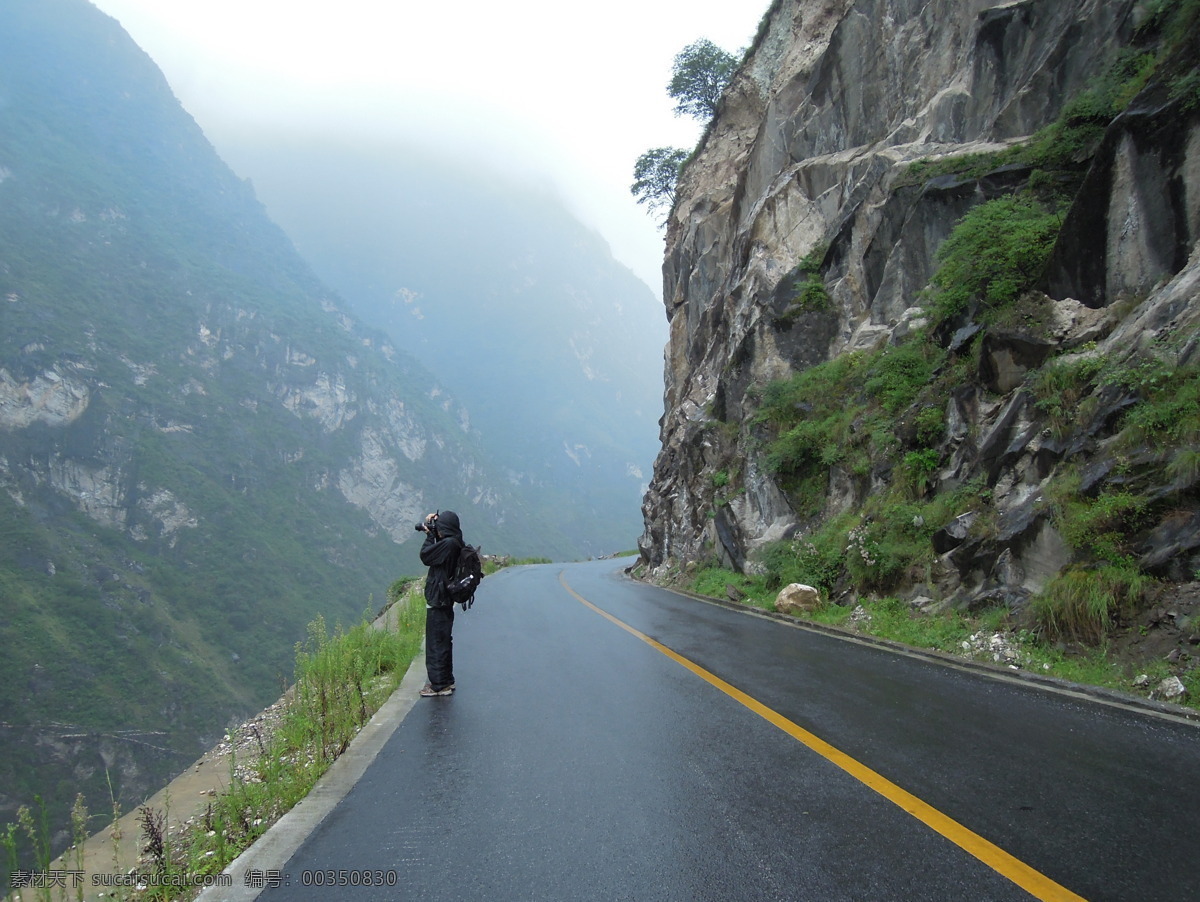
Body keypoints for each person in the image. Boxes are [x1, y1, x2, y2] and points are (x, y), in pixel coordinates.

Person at [417, 509, 463, 697]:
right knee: (443, 639)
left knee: (436, 642)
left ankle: (438, 685)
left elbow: (426, 556)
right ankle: (446, 679)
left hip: (439, 598)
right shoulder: (455, 541)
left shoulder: (449, 544)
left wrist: (429, 536)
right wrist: (434, 533)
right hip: (445, 597)